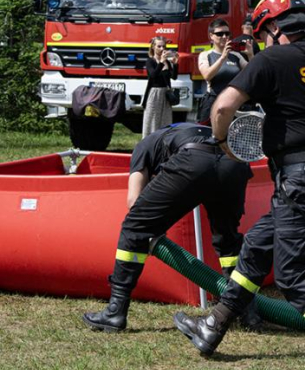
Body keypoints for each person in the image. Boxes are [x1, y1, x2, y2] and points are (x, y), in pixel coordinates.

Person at [172, 0, 305, 370]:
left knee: (293, 277)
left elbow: (222, 107)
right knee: (256, 247)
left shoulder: (271, 58)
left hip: (303, 177)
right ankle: (213, 326)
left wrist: (222, 144)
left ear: (272, 28)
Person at [82, 123, 253, 333]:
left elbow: (134, 201)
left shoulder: (143, 146)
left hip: (194, 159)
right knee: (228, 240)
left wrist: (153, 225)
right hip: (235, 162)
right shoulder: (190, 130)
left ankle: (115, 311)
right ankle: (247, 311)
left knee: (135, 226)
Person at [197, 18, 248, 123]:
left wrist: (251, 55)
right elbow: (207, 75)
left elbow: (252, 73)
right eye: (220, 34)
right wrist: (222, 58)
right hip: (214, 101)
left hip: (234, 103)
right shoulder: (205, 55)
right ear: (211, 36)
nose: (224, 37)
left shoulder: (236, 55)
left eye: (227, 33)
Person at [142, 37, 178, 138]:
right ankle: (148, 144)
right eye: (159, 46)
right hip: (154, 94)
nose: (162, 48)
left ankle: (162, 146)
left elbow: (173, 77)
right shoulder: (150, 61)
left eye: (164, 46)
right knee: (152, 122)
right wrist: (161, 63)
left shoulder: (166, 62)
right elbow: (153, 76)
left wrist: (175, 65)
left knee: (165, 122)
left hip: (165, 94)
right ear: (153, 47)